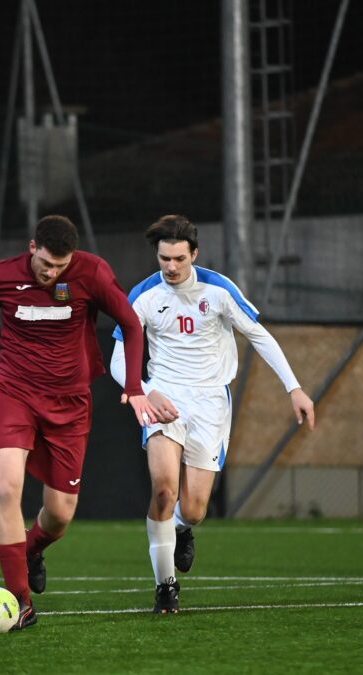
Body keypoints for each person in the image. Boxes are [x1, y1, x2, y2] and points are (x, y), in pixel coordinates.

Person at [0, 215, 159, 629]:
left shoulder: (91, 272)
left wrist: (135, 385)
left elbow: (130, 323)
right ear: (32, 247)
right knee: (6, 488)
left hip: (69, 404)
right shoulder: (2, 275)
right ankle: (21, 603)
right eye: (46, 263)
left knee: (59, 514)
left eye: (60, 266)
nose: (51, 272)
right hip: (13, 394)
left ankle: (32, 549)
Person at [109, 214, 315, 613]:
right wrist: (145, 391)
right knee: (164, 489)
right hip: (163, 397)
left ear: (195, 254)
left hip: (210, 403)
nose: (171, 267)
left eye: (179, 259)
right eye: (164, 258)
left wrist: (294, 388)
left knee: (195, 508)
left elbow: (258, 335)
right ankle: (165, 586)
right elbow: (119, 358)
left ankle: (182, 529)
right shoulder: (143, 295)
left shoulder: (219, 290)